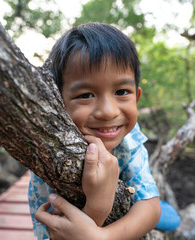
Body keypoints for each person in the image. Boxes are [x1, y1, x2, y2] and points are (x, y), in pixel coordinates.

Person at [28, 22, 180, 240]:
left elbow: (150, 208)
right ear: (58, 103)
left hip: (130, 199)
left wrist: (103, 237)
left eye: (121, 91)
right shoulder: (52, 147)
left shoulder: (129, 138)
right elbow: (62, 230)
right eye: (86, 95)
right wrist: (98, 206)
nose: (108, 112)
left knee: (166, 216)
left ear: (136, 97)